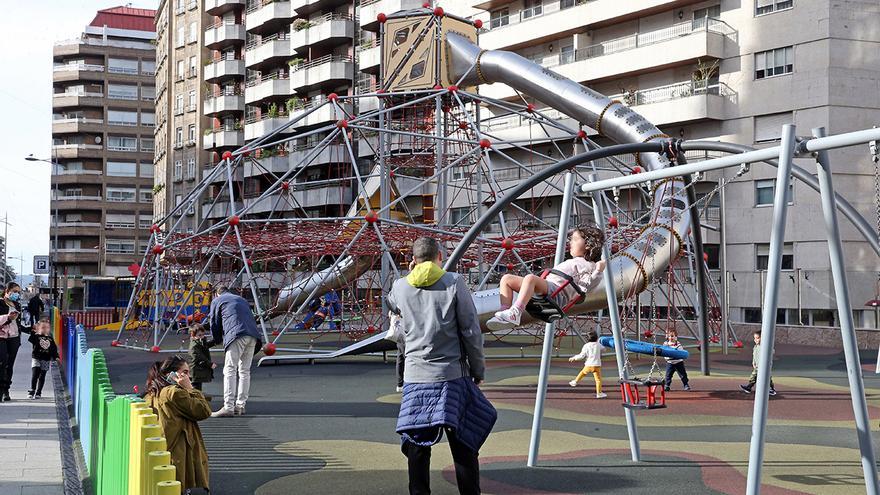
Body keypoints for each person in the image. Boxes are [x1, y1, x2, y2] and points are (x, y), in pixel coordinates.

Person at [388, 237, 496, 495]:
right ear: (440, 257)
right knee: (463, 441)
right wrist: (477, 369)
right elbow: (470, 330)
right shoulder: (454, 282)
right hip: (451, 375)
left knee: (416, 443)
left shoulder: (400, 287)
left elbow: (399, 328)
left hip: (416, 376)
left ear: (413, 261)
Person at [487, 225, 606, 330]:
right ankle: (504, 313)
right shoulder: (574, 261)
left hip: (558, 294)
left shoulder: (590, 265)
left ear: (588, 245)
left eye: (575, 239)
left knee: (530, 278)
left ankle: (515, 312)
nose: (570, 242)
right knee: (507, 279)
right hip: (548, 287)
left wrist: (598, 270)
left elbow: (588, 286)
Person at [144, 356, 211, 490]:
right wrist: (190, 388)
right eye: (184, 372)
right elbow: (203, 411)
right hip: (178, 449)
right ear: (171, 374)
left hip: (164, 446)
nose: (188, 376)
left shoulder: (154, 391)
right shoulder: (174, 392)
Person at [209, 285, 263, 417]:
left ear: (217, 294)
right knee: (244, 370)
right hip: (253, 335)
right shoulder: (241, 299)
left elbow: (214, 322)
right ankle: (240, 405)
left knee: (230, 369)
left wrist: (216, 340)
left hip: (236, 335)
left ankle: (228, 406)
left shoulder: (218, 300)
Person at [0, 282, 24, 402]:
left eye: (18, 292)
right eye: (14, 291)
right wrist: (8, 318)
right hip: (2, 337)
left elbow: (18, 323)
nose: (16, 294)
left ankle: (6, 390)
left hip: (14, 338)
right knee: (2, 363)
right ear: (7, 290)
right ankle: (1, 389)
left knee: (10, 365)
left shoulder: (16, 304)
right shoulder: (0, 302)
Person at [567, 331, 607, 398]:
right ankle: (599, 393)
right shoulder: (598, 345)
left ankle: (575, 381)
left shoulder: (586, 345)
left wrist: (574, 358)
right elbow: (604, 349)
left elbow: (581, 356)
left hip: (588, 365)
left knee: (583, 372)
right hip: (596, 365)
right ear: (597, 338)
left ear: (587, 339)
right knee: (598, 380)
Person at [27, 319, 59, 399]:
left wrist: (56, 356)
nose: (45, 329)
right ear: (39, 328)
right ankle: (32, 390)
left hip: (46, 359)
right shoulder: (36, 337)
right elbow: (31, 339)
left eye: (47, 327)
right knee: (35, 374)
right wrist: (34, 331)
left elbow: (54, 349)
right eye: (43, 327)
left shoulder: (50, 339)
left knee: (42, 376)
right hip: (36, 357)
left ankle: (39, 392)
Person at [740, 329, 777, 396]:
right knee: (753, 376)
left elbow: (772, 351)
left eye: (757, 338)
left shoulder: (765, 346)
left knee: (767, 377)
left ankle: (772, 389)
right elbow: (754, 355)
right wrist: (753, 362)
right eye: (754, 338)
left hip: (765, 366)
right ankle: (749, 387)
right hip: (757, 366)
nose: (755, 340)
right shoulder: (755, 347)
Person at [187, 323, 216, 397]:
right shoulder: (194, 346)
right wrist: (210, 364)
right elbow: (199, 357)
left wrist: (214, 342)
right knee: (195, 389)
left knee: (197, 387)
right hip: (195, 371)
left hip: (197, 371)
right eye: (199, 335)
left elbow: (205, 346)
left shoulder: (198, 342)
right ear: (193, 336)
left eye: (203, 335)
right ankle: (196, 402)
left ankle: (197, 399)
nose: (202, 337)